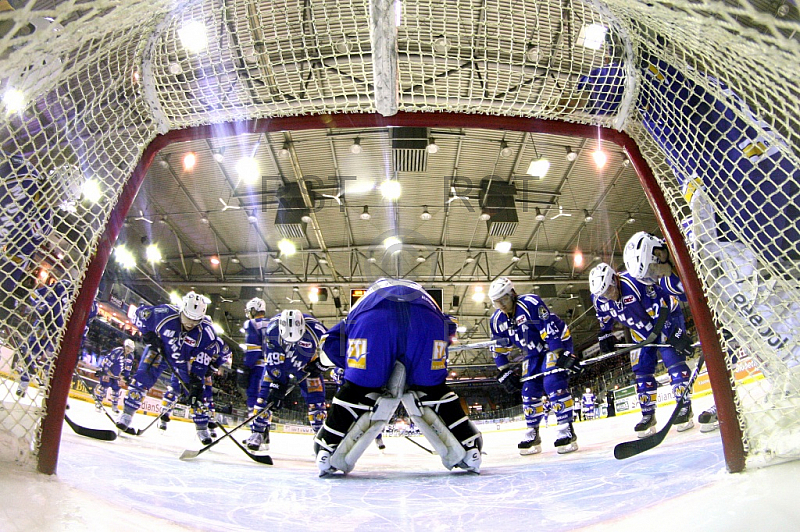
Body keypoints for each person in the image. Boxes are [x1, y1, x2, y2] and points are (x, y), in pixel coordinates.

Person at [315, 278, 482, 476]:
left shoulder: (362, 303)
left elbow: (328, 341)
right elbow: (450, 327)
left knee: (356, 389)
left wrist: (348, 367)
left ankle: (327, 446)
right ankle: (469, 444)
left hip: (373, 321)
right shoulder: (422, 296)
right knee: (433, 389)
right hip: (428, 320)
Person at [588, 262, 695, 437]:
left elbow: (661, 310)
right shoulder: (598, 297)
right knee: (641, 371)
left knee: (673, 362)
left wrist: (674, 334)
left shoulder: (635, 283)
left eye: (609, 290)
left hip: (665, 319)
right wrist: (605, 333)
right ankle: (648, 415)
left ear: (615, 279)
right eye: (603, 294)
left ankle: (684, 408)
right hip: (639, 329)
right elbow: (604, 315)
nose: (608, 296)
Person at [488, 277, 580, 455]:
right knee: (529, 390)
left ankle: (566, 429)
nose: (501, 305)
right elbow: (498, 348)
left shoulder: (530, 303)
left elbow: (549, 328)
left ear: (513, 294)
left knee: (552, 382)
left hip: (554, 342)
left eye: (504, 299)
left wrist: (561, 354)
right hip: (532, 352)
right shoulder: (496, 320)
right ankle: (533, 432)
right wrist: (504, 371)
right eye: (496, 302)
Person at [122, 291, 219, 444]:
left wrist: (196, 377)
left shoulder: (206, 332)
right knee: (142, 378)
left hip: (185, 361)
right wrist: (147, 334)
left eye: (195, 320)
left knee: (196, 393)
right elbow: (136, 314)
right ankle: (126, 415)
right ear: (181, 310)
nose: (190, 323)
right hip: (160, 350)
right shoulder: (165, 312)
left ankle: (202, 429)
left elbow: (204, 356)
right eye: (188, 317)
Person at [245, 309, 328, 452]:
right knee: (266, 396)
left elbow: (334, 346)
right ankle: (258, 433)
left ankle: (322, 437)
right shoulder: (272, 331)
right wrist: (278, 385)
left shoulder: (316, 329)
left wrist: (322, 363)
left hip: (308, 367)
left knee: (317, 402)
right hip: (280, 364)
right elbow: (273, 363)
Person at [14, 279, 71, 397]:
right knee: (33, 353)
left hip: (60, 332)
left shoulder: (86, 297)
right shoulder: (63, 285)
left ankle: (48, 389)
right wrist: (43, 308)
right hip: (43, 324)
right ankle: (23, 385)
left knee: (54, 361)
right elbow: (36, 295)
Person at [332, 366, 385, 450]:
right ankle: (339, 441)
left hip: (359, 391)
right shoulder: (338, 371)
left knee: (373, 417)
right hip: (346, 396)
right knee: (344, 421)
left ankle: (378, 438)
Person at [239, 297, 269, 411]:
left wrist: (246, 366)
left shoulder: (251, 323)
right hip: (271, 366)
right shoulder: (272, 322)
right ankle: (264, 422)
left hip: (257, 367)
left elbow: (254, 349)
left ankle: (254, 421)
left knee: (253, 394)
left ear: (253, 310)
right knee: (265, 397)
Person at [93, 338, 135, 413]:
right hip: (108, 373)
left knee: (116, 390)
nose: (129, 350)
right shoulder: (118, 351)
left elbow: (128, 368)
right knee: (104, 387)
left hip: (117, 376)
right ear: (125, 346)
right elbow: (108, 361)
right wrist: (103, 370)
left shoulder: (130, 357)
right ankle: (98, 403)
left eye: (130, 348)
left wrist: (126, 377)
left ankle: (114, 406)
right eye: (128, 347)